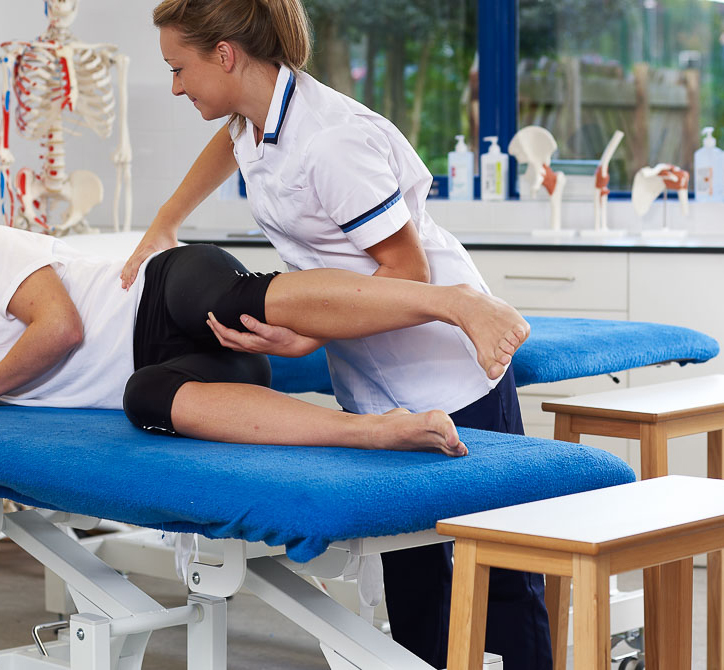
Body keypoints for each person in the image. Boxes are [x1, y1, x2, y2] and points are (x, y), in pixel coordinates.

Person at [116, 1, 552, 667]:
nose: (176, 85)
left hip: (445, 368)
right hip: (373, 378)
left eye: (181, 68)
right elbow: (224, 148)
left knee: (497, 568)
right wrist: (166, 221)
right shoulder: (256, 119)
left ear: (226, 55)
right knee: (412, 571)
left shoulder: (329, 143)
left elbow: (405, 270)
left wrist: (309, 335)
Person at [0, 224, 526, 459]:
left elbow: (61, 327)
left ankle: (452, 302)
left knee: (230, 297)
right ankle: (375, 432)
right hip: (181, 369)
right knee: (144, 400)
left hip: (169, 291)